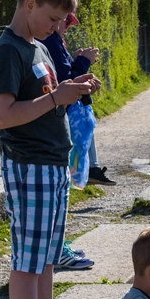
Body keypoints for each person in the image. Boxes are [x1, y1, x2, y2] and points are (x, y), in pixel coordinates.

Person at [0, 0, 100, 299]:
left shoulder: (37, 47)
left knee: (48, 256)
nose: (57, 28)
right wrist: (57, 98)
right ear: (29, 4)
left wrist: (73, 87)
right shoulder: (8, 51)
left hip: (51, 165)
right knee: (27, 260)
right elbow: (3, 115)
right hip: (29, 165)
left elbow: (50, 93)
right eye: (54, 18)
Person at [40, 13, 117, 187]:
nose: (67, 26)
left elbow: (67, 76)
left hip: (59, 108)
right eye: (66, 21)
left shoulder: (56, 41)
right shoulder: (52, 40)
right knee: (86, 122)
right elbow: (66, 81)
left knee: (87, 121)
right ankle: (89, 170)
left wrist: (79, 64)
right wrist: (83, 61)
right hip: (57, 111)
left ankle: (91, 168)